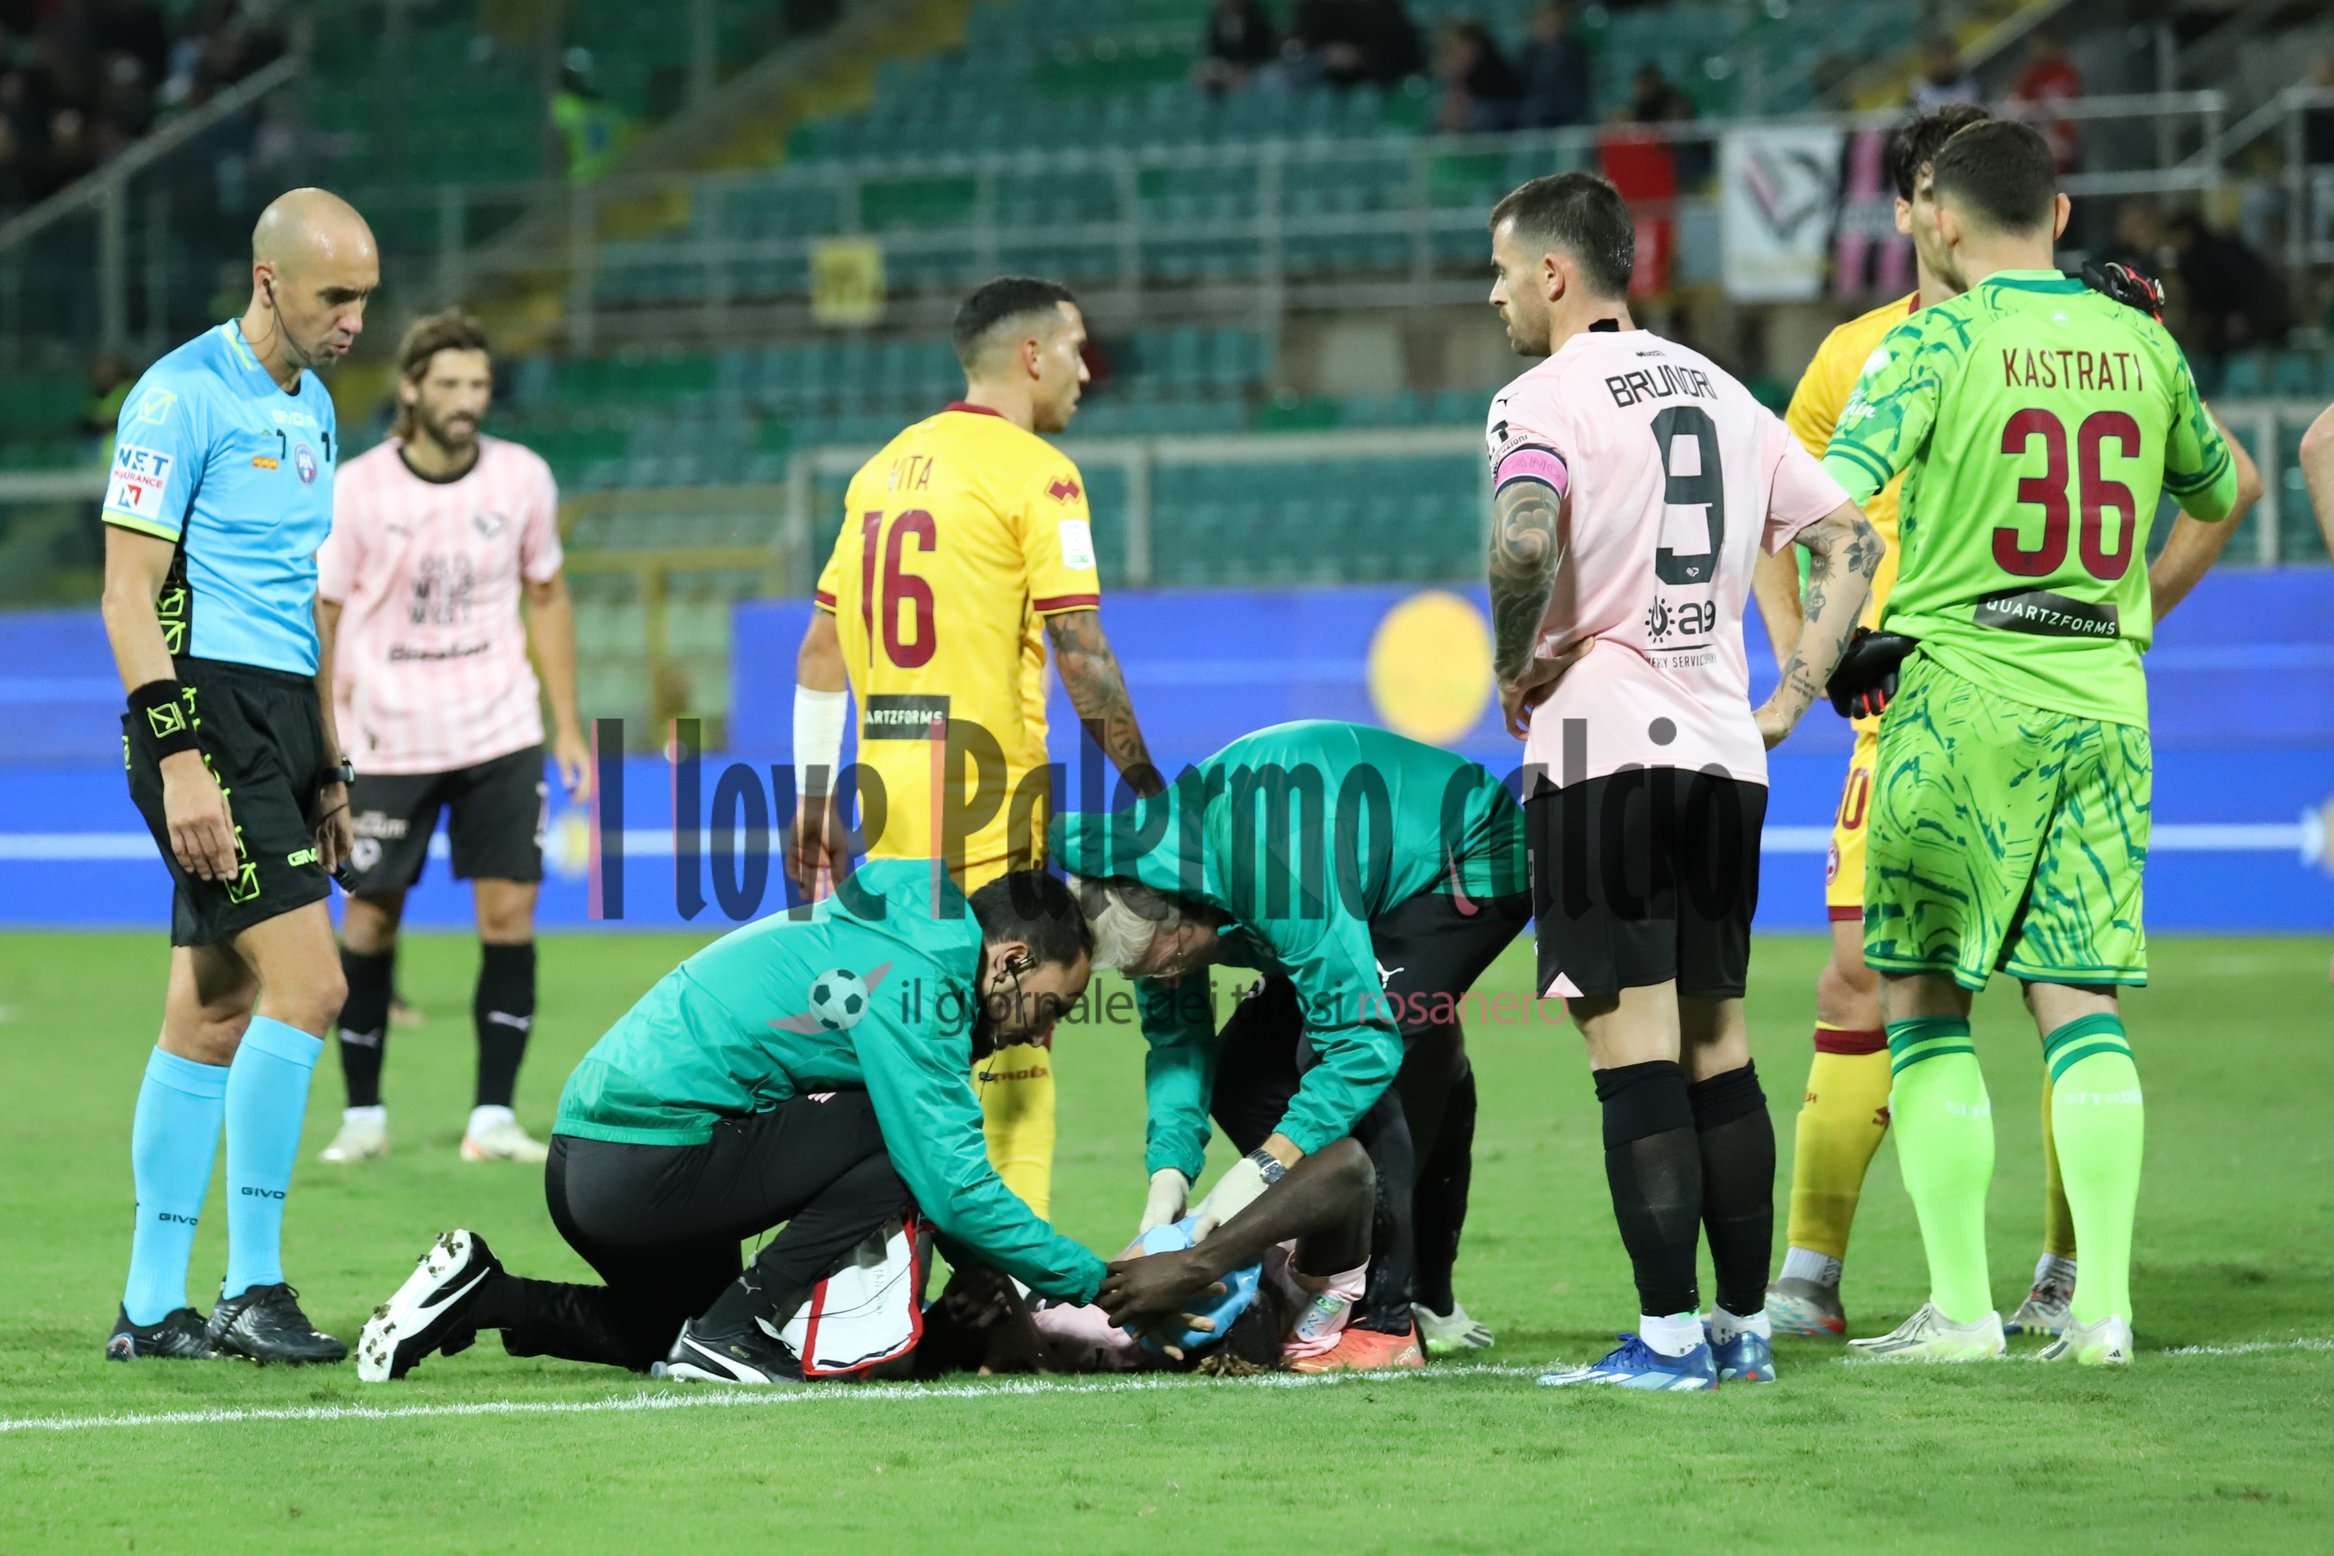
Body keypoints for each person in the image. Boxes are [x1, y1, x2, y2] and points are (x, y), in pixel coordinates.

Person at [1821, 120, 2262, 1365]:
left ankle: (1962, 1311)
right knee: (2080, 1004)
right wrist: (2135, 616)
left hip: (1964, 694)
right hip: (2104, 703)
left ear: (1942, 221)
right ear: (2057, 213)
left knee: (1921, 997)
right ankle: (2104, 1311)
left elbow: (1833, 500)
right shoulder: (2139, 340)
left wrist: (1829, 646)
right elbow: (2221, 489)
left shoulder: (1936, 338)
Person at [1481, 171, 1879, 1390]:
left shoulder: (1536, 398)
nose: (1494, 292)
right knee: (1720, 1039)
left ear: (1557, 273)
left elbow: (1526, 536)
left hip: (1603, 746)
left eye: (1503, 269)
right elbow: (1851, 542)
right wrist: (1793, 692)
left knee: (1632, 1047)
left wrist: (1512, 665)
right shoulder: (1724, 389)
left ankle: (1663, 1338)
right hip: (1724, 753)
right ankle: (1743, 1330)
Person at [357, 864, 1107, 1385]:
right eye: (1054, 1007)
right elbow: (950, 1185)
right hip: (644, 1162)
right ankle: (735, 1329)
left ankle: (483, 1294)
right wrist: (1096, 1284)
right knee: (896, 1137)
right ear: (1010, 959)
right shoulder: (923, 980)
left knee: (667, 1335)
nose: (1044, 1036)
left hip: (595, 1157)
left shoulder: (904, 933)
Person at [791, 276, 1162, 1227]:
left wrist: (809, 798)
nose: (1088, 370)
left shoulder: (881, 471)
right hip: (991, 817)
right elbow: (1082, 654)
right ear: (1031, 355)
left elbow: (821, 652)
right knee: (1017, 1044)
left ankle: (884, 1267)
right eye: (1077, 349)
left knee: (909, 1047)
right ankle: (1013, 1277)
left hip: (892, 824)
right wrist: (1149, 791)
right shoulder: (1036, 472)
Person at [98, 187, 377, 1363]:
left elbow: (296, 604)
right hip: (198, 710)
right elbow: (125, 592)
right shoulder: (177, 395)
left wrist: (327, 764)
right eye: (335, 297)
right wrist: (179, 758)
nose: (355, 320)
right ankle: (251, 1285)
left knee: (211, 1012)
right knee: (312, 988)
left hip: (275, 716)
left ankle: (151, 1303)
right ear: (269, 281)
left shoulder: (313, 408)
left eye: (366, 297)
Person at [1050, 718, 1533, 1367]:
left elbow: (1361, 1050)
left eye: (1164, 959)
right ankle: (1401, 1283)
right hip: (1358, 873)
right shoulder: (1139, 887)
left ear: (1189, 909)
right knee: (1244, 1073)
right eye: (1141, 972)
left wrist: (1251, 1179)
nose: (1162, 976)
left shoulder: (1272, 871)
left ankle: (1387, 1325)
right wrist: (1165, 1189)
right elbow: (1178, 1045)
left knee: (1348, 1059)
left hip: (1465, 858)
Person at [312, 309, 587, 1168]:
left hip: (499, 731)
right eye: (450, 385)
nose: (468, 401)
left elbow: (546, 595)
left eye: (478, 385)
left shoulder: (523, 479)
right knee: (370, 920)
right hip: (386, 737)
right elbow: (324, 614)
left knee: (510, 915)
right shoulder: (358, 489)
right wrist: (322, 742)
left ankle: (494, 1115)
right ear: (410, 389)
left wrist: (566, 724)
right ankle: (362, 1114)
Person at [924, 1140, 1377, 1377]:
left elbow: (1047, 1356)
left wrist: (997, 1292)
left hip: (1060, 1308)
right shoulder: (1310, 1300)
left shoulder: (1101, 1333)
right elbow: (1349, 1166)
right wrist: (1202, 1261)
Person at [1434, 20, 1524, 134]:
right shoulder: (1455, 82)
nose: (1452, 57)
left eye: (1455, 49)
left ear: (1474, 47)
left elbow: (1496, 119)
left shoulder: (1498, 77)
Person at [1517, 3, 1592, 130]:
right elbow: (1523, 81)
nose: (1548, 26)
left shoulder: (1574, 47)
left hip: (1568, 103)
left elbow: (1581, 82)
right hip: (1538, 105)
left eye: (1552, 21)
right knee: (1530, 110)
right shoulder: (1530, 51)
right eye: (1544, 21)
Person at [1196, 0, 1278, 96]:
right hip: (1228, 69)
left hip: (1255, 69)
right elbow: (1213, 53)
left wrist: (1241, 71)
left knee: (1269, 77)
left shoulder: (1257, 18)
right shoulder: (1216, 20)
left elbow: (1265, 53)